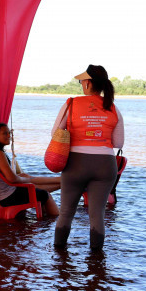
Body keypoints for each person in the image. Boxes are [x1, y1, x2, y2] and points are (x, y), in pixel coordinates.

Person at [53, 64, 124, 251]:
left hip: (75, 163)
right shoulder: (113, 107)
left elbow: (56, 133)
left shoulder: (72, 103)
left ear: (87, 83)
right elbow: (118, 142)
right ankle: (96, 263)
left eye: (81, 81)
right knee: (97, 214)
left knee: (67, 212)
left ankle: (59, 258)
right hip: (105, 165)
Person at [0, 123, 60, 216]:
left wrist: (25, 179)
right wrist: (26, 180)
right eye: (5, 133)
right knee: (45, 194)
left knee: (29, 182)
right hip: (6, 197)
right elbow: (12, 179)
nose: (9, 136)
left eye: (9, 133)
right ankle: (55, 220)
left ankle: (61, 182)